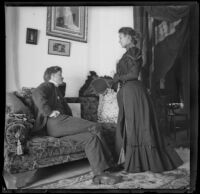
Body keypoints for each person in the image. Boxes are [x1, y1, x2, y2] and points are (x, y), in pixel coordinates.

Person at [112, 27, 184, 173]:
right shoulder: (128, 53)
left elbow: (133, 74)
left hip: (134, 92)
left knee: (137, 126)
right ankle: (130, 160)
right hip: (128, 92)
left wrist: (117, 77)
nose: (119, 40)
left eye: (121, 37)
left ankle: (141, 162)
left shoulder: (134, 51)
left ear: (129, 37)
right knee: (131, 126)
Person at [31, 66, 119, 182]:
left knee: (91, 138)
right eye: (59, 74)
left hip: (60, 125)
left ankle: (100, 174)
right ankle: (111, 163)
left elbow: (62, 88)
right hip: (56, 123)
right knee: (95, 126)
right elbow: (37, 93)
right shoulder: (48, 85)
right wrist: (49, 112)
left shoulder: (56, 89)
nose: (62, 76)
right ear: (52, 76)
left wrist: (61, 82)